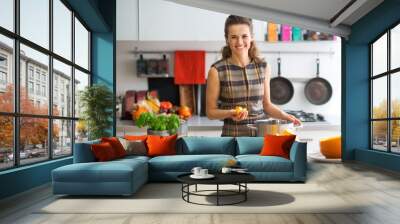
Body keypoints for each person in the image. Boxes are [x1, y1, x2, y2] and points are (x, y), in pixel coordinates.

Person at [206, 15, 301, 137]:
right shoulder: (217, 71)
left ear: (251, 37)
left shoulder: (263, 67)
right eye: (234, 37)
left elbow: (267, 105)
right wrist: (231, 113)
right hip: (232, 140)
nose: (239, 42)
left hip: (261, 139)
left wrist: (285, 116)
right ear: (227, 39)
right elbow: (210, 112)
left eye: (244, 36)